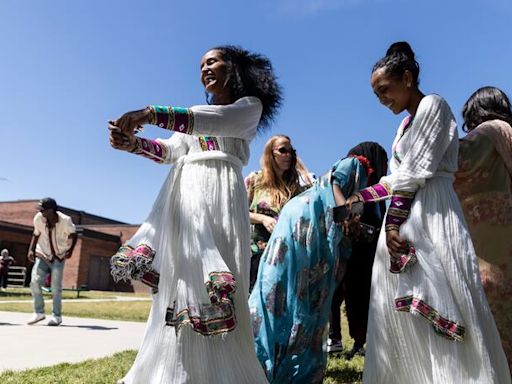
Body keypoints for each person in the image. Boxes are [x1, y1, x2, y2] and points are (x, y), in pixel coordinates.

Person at [108, 45, 282, 384]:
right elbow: (172, 150)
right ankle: (174, 371)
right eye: (201, 64)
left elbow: (209, 121)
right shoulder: (194, 117)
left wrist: (146, 114)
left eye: (213, 61)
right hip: (185, 197)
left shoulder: (248, 108)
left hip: (221, 198)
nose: (205, 68)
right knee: (180, 282)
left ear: (234, 68)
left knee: (214, 283)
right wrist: (133, 143)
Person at [344, 42, 510, 383]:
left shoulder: (434, 106)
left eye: (385, 90)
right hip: (405, 218)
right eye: (376, 95)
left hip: (433, 214)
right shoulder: (403, 128)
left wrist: (392, 222)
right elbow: (397, 178)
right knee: (404, 309)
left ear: (407, 78)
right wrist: (359, 199)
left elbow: (417, 172)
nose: (382, 100)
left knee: (443, 297)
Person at [249, 142, 388, 384]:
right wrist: (345, 212)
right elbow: (335, 182)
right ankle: (287, 362)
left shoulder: (361, 184)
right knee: (305, 294)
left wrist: (350, 220)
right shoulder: (357, 163)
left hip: (298, 222)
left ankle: (270, 360)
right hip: (304, 225)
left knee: (286, 290)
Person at [454, 86, 512, 371]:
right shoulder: (508, 134)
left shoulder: (488, 133)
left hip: (491, 242)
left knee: (494, 320)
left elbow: (456, 161)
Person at [328, 142, 388, 356]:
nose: (386, 166)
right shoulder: (355, 167)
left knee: (362, 295)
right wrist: (347, 216)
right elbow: (336, 185)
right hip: (348, 246)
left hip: (367, 251)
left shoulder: (375, 190)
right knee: (338, 293)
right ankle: (334, 339)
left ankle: (360, 342)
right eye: (383, 160)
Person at [245, 134, 313, 292]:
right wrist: (262, 218)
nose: (288, 155)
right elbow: (239, 212)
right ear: (271, 153)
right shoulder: (255, 180)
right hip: (258, 254)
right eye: (283, 150)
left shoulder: (296, 187)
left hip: (286, 254)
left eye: (291, 151)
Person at [27, 198, 77, 326]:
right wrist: (31, 250)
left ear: (51, 210)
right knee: (34, 282)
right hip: (42, 253)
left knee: (55, 287)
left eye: (43, 210)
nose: (41, 212)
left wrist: (70, 250)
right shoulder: (38, 218)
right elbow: (36, 234)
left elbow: (73, 234)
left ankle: (56, 316)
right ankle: (39, 312)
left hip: (58, 256)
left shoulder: (65, 220)